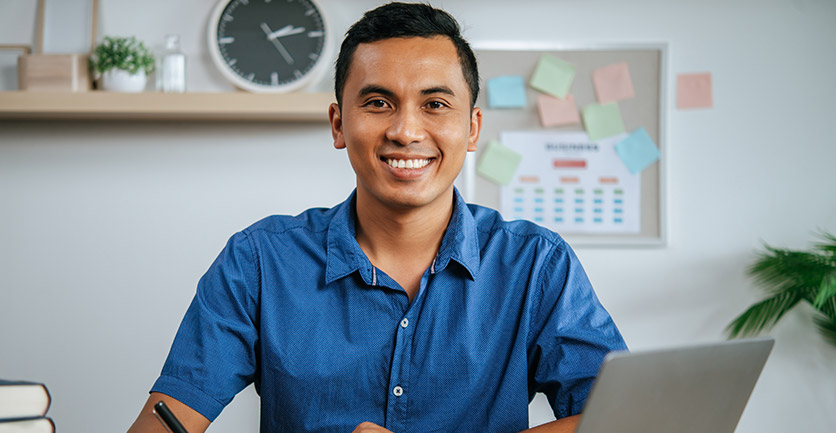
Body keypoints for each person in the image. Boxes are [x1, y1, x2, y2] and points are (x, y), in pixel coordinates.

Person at [127, 3, 626, 433]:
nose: (406, 130)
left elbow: (623, 418)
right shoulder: (259, 261)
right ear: (339, 124)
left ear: (472, 128)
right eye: (378, 103)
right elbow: (170, 415)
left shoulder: (537, 265)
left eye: (435, 104)